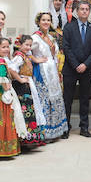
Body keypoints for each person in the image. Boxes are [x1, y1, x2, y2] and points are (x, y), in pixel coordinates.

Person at [62, 1, 91, 137]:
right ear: (76, 11)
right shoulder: (68, 27)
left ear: (89, 12)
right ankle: (65, 127)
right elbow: (65, 47)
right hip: (70, 68)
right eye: (81, 9)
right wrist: (76, 64)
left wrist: (85, 64)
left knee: (85, 99)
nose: (84, 11)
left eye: (86, 9)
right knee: (68, 99)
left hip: (87, 69)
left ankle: (84, 127)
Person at [0, 38, 28, 156]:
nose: (6, 49)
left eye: (7, 47)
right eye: (3, 47)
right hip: (0, 93)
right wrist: (7, 89)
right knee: (4, 118)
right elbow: (3, 79)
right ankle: (4, 148)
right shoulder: (1, 62)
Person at [32, 12, 68, 140]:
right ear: (38, 22)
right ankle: (44, 132)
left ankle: (55, 129)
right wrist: (35, 59)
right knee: (44, 100)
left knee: (54, 99)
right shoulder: (34, 38)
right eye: (43, 20)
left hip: (52, 71)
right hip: (41, 72)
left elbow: (55, 54)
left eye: (48, 20)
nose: (46, 22)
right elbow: (23, 50)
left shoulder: (51, 37)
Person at [9, 35, 46, 148]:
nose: (29, 47)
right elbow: (12, 69)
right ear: (19, 45)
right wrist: (20, 79)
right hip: (21, 87)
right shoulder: (19, 57)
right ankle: (25, 140)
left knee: (30, 109)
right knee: (25, 110)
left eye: (30, 45)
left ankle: (31, 139)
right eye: (26, 45)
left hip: (26, 84)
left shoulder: (25, 55)